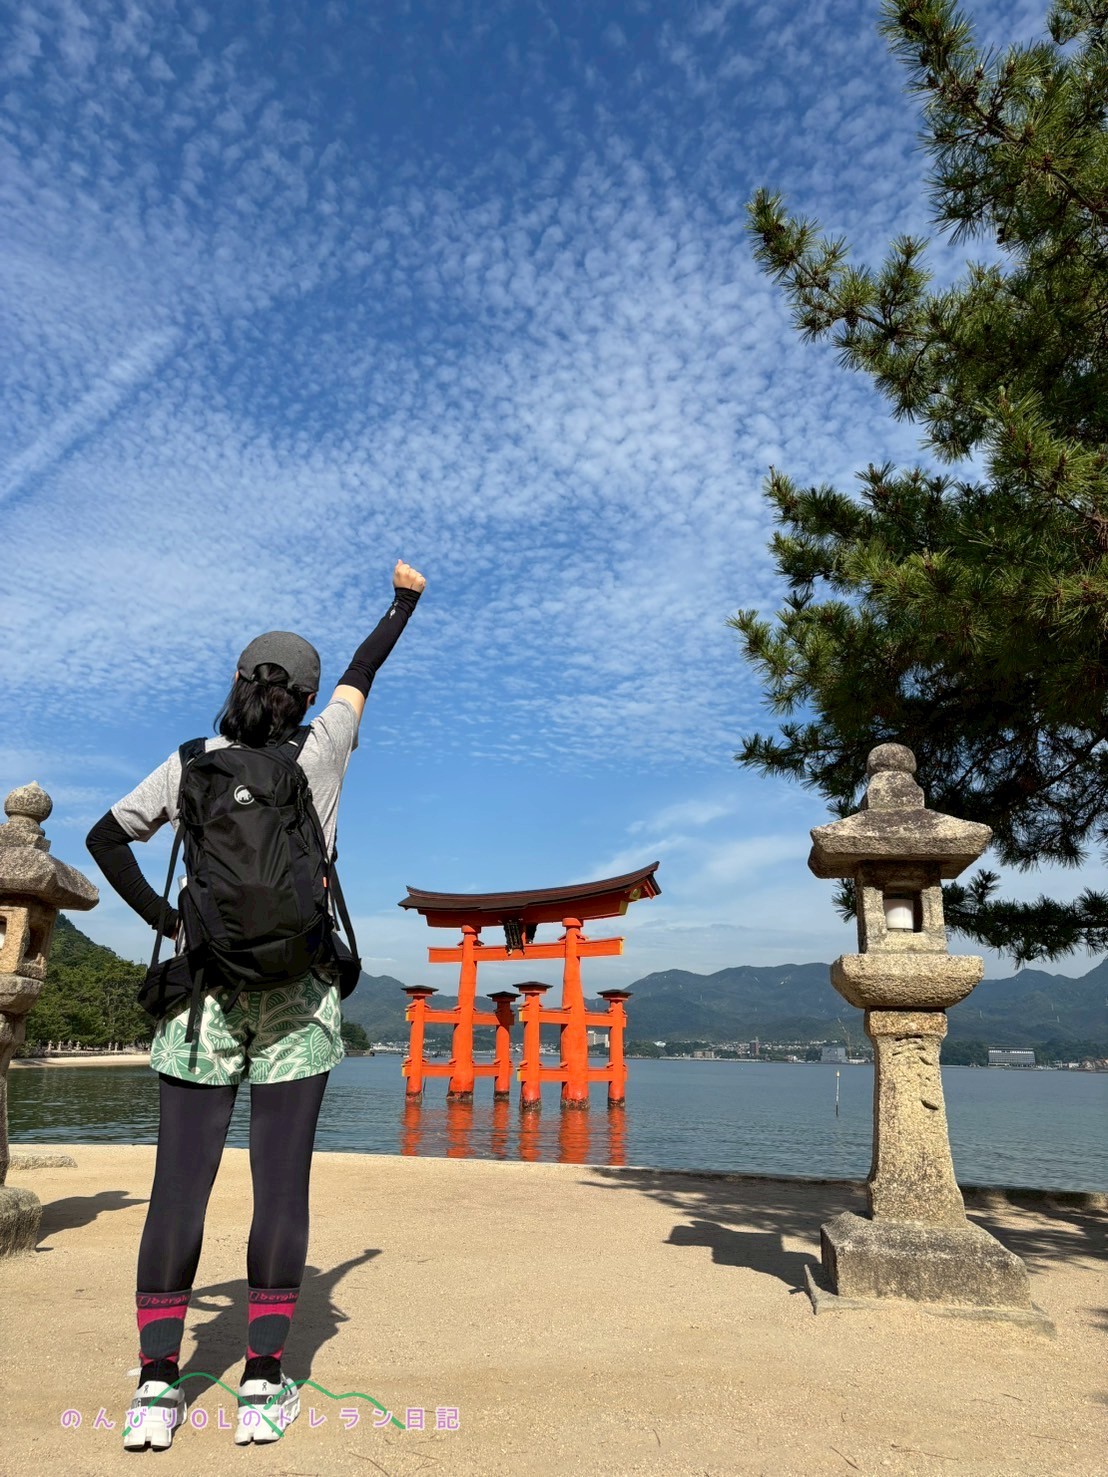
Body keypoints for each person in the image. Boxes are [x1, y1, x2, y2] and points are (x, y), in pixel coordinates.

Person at [86, 559, 426, 1450]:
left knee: (177, 1190)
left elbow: (104, 837)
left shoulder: (191, 763)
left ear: (239, 682)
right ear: (306, 697)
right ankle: (264, 1383)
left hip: (202, 994)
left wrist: (169, 919)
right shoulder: (323, 750)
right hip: (299, 998)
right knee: (280, 1188)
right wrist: (404, 602)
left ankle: (156, 1388)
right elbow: (364, 669)